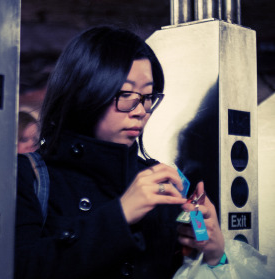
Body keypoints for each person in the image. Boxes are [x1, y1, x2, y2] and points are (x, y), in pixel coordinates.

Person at [14, 25, 226, 278]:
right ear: (85, 93)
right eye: (126, 94)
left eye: (148, 96)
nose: (140, 110)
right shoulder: (26, 177)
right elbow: (14, 268)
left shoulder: (161, 181)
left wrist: (212, 254)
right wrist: (119, 216)